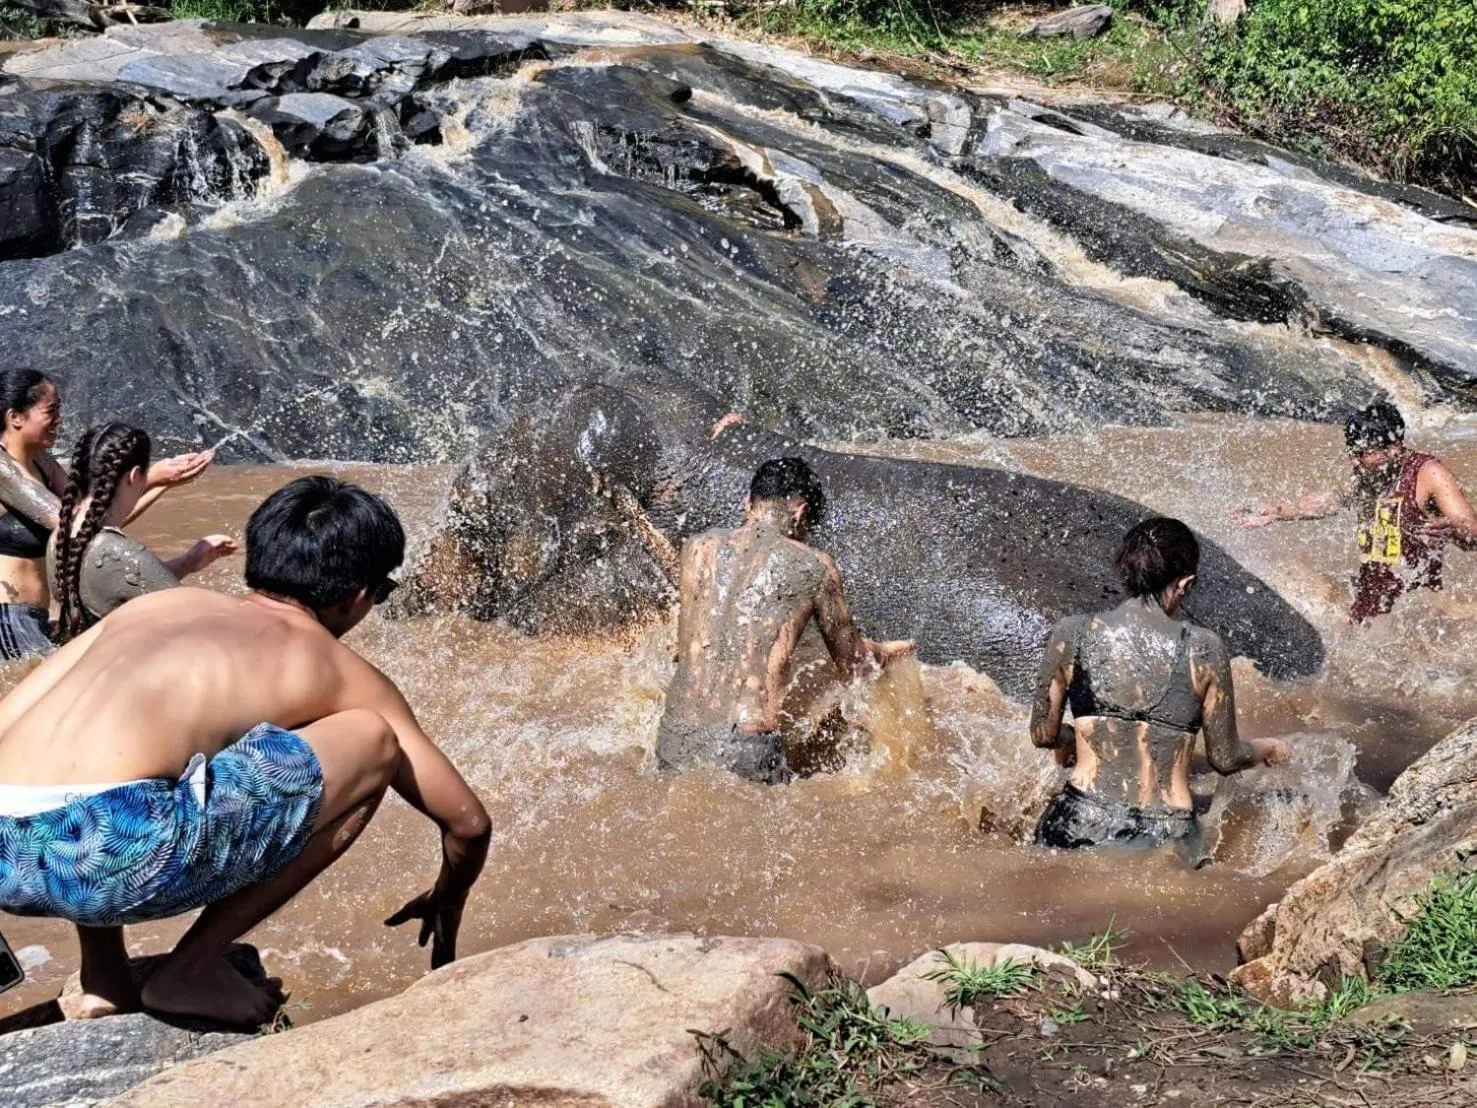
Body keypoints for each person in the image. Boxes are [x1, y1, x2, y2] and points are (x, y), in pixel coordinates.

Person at [0, 476, 490, 1025]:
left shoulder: (152, 608)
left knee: (115, 761)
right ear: (357, 597)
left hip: (4, 857)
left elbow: (18, 720)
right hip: (109, 864)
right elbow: (467, 822)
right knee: (373, 742)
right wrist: (448, 898)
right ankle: (192, 969)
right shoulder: (331, 662)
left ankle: (105, 978)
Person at [1030, 517, 1289, 853]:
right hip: (1168, 831)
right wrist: (1269, 748)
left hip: (1080, 815)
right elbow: (1225, 758)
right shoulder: (1204, 647)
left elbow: (1042, 735)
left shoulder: (1072, 632)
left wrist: (1076, 737)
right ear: (1186, 583)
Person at [656, 457, 914, 784]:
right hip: (745, 749)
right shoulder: (815, 565)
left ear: (747, 503)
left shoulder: (697, 548)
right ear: (800, 513)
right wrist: (895, 651)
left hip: (674, 738)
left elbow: (691, 646)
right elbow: (855, 663)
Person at [0, 368, 214, 659]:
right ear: (15, 417)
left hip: (31, 619)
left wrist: (163, 483)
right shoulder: (3, 470)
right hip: (8, 622)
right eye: (51, 410)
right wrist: (146, 477)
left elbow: (94, 521)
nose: (59, 419)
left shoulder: (43, 463)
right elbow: (72, 522)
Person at [1234, 401, 1477, 621]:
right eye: (1352, 453)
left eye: (1362, 454)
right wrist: (1278, 511)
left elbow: (1472, 535)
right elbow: (1331, 500)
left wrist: (1450, 531)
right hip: (1371, 600)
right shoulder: (1369, 474)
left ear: (1394, 447)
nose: (1355, 462)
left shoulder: (1430, 474)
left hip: (1414, 611)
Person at [46, 422, 236, 642]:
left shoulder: (59, 537)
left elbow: (118, 585)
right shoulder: (120, 553)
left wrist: (189, 562)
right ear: (135, 475)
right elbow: (194, 620)